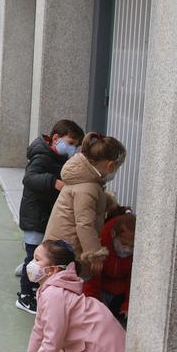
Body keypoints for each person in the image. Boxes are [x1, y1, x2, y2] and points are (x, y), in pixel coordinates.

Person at [8, 240, 125, 352]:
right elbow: (40, 327)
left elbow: (53, 337)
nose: (31, 264)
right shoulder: (47, 290)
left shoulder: (54, 294)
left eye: (37, 259)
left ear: (53, 270)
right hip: (105, 344)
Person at [16, 120, 85, 315]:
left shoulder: (58, 157)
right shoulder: (42, 156)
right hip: (35, 216)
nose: (73, 148)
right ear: (56, 139)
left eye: (76, 145)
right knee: (34, 257)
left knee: (40, 254)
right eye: (70, 143)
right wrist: (53, 182)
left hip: (43, 215)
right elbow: (29, 178)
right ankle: (25, 295)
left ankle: (30, 275)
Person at [45, 133, 126, 275]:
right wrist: (95, 254)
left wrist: (106, 202)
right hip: (68, 249)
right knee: (68, 285)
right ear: (110, 166)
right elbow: (84, 224)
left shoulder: (85, 180)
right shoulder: (87, 188)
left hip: (60, 245)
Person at [84, 213, 135, 324]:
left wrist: (128, 304)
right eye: (124, 244)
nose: (127, 250)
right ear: (113, 235)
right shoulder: (101, 244)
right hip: (101, 289)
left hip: (121, 293)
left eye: (132, 246)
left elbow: (134, 280)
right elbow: (93, 279)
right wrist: (92, 305)